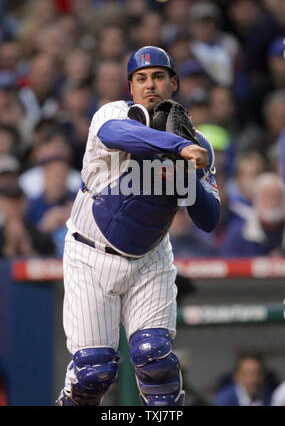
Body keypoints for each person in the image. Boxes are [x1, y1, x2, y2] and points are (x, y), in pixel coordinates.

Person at [57, 46, 220, 406]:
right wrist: (178, 149)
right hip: (90, 253)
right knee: (93, 374)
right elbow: (118, 135)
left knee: (155, 360)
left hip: (150, 259)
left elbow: (209, 220)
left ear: (173, 83)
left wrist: (189, 174)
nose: (151, 85)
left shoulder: (198, 145)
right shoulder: (113, 113)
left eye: (159, 77)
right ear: (130, 86)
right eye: (141, 79)